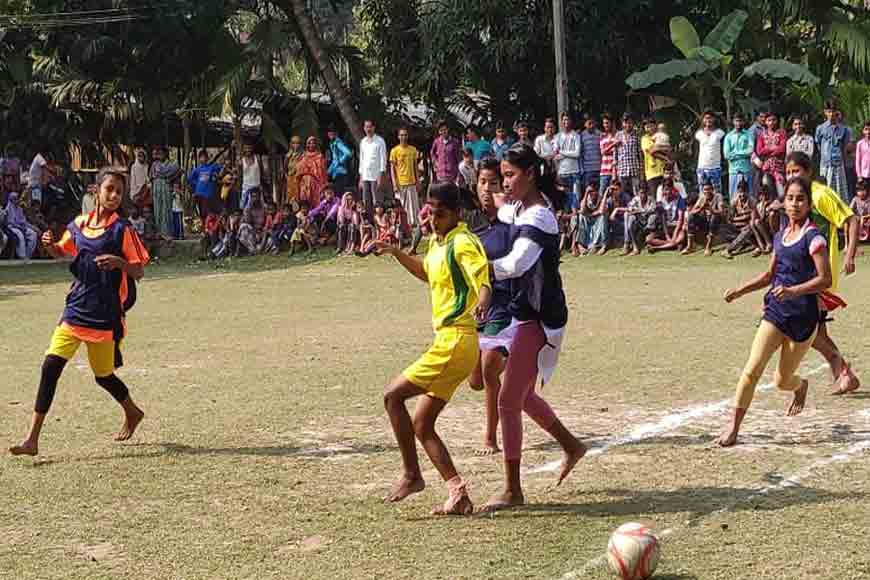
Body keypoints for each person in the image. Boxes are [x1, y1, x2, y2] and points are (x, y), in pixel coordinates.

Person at [367, 182, 491, 516]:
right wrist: (395, 252)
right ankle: (458, 492)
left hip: (456, 341)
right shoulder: (439, 242)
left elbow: (482, 277)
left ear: (456, 213)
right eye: (430, 212)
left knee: (392, 396)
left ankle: (412, 475)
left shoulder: (464, 242)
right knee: (422, 423)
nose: (433, 220)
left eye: (440, 214)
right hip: (449, 343)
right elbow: (427, 273)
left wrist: (482, 300)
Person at [9, 168, 149, 456]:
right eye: (109, 189)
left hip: (105, 314)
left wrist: (119, 263)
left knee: (103, 375)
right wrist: (49, 246)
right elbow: (63, 251)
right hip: (75, 308)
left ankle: (132, 411)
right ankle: (32, 439)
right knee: (50, 366)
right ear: (95, 191)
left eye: (119, 192)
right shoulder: (79, 224)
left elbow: (139, 271)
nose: (114, 196)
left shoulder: (122, 229)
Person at [482, 144, 585, 511]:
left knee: (508, 400)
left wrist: (476, 268)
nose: (505, 183)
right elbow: (499, 205)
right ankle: (572, 446)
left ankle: (512, 490)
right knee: (522, 397)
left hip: (541, 316)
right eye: (502, 176)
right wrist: (481, 189)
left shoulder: (539, 216)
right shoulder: (520, 206)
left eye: (510, 175)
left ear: (530, 174)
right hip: (526, 312)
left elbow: (517, 263)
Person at [716, 177, 833, 447]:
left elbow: (825, 279)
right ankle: (733, 428)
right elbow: (770, 275)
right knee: (751, 370)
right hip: (776, 313)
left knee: (782, 381)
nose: (794, 203)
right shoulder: (780, 236)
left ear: (808, 204)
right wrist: (740, 290)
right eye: (790, 198)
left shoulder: (814, 238)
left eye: (800, 199)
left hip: (803, 319)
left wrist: (794, 291)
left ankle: (800, 386)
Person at [784, 151, 860, 395]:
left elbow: (851, 219)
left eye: (796, 171)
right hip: (802, 274)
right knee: (816, 330)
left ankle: (844, 372)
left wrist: (849, 254)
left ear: (809, 172)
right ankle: (844, 375)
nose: (792, 175)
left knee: (808, 330)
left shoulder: (820, 194)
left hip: (819, 274)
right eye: (788, 172)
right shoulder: (797, 198)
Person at [467, 158, 512, 455]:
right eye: (483, 182)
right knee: (474, 382)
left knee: (488, 369)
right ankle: (509, 364)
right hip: (475, 307)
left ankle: (490, 436)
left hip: (505, 306)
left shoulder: (513, 223)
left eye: (493, 183)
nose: (487, 189)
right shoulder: (469, 224)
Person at [816, 101, 852, 202]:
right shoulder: (820, 129)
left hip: (838, 165)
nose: (831, 114)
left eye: (833, 111)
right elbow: (818, 144)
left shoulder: (844, 129)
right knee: (826, 192)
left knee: (840, 194)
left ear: (837, 112)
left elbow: (845, 147)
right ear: (825, 112)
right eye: (829, 111)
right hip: (825, 165)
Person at [722, 180, 764, 258]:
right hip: (738, 226)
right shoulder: (734, 201)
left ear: (748, 191)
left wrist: (738, 219)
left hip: (751, 228)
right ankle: (756, 247)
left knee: (748, 229)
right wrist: (742, 218)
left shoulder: (752, 201)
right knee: (724, 228)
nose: (742, 194)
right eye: (740, 192)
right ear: (737, 191)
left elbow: (753, 220)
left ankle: (728, 250)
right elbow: (729, 219)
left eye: (744, 192)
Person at [390, 127, 421, 227]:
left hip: (411, 181)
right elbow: (392, 169)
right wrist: (394, 183)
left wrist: (418, 181)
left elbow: (415, 167)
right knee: (402, 206)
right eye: (401, 135)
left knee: (413, 205)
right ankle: (403, 225)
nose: (403, 137)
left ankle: (413, 224)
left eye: (405, 135)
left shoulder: (412, 150)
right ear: (398, 137)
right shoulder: (394, 151)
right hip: (400, 183)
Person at [647, 177, 688, 253]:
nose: (667, 192)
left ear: (673, 189)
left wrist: (674, 235)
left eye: (669, 189)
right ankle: (674, 245)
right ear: (662, 190)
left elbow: (680, 219)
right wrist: (667, 236)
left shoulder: (680, 200)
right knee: (648, 239)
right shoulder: (660, 202)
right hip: (666, 228)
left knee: (681, 237)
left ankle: (657, 248)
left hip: (676, 227)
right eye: (665, 190)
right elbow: (663, 220)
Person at [684, 181, 724, 256]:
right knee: (691, 216)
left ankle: (708, 247)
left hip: (716, 221)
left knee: (715, 216)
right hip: (705, 221)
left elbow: (721, 212)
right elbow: (692, 211)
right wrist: (701, 208)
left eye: (708, 189)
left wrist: (710, 209)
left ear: (712, 190)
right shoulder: (702, 197)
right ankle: (690, 246)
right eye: (705, 189)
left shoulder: (718, 196)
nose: (707, 191)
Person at [150, 146, 181, 238]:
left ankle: (167, 233)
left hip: (167, 190)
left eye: (162, 153)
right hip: (157, 190)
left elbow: (178, 172)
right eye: (159, 153)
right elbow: (151, 177)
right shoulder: (154, 165)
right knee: (157, 210)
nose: (160, 155)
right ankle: (159, 232)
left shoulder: (172, 165)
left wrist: (169, 179)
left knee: (166, 210)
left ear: (166, 154)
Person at [724, 112, 755, 201]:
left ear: (743, 122)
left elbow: (750, 150)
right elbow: (726, 155)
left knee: (749, 195)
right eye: (736, 121)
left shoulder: (748, 134)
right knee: (733, 196)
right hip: (733, 170)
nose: (738, 123)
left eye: (740, 121)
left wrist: (735, 153)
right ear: (733, 122)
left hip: (746, 169)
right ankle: (733, 214)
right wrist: (742, 154)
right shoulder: (728, 136)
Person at [756, 113, 787, 198]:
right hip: (767, 168)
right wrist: (773, 148)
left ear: (777, 121)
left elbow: (782, 149)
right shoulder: (762, 135)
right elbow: (759, 151)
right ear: (765, 122)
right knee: (768, 193)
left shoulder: (782, 133)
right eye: (769, 120)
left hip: (779, 168)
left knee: (781, 194)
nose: (771, 122)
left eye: (774, 120)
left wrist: (768, 151)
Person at [555, 112, 582, 210]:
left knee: (576, 200)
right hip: (562, 172)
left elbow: (577, 153)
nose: (566, 122)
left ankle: (576, 222)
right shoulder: (557, 136)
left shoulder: (576, 136)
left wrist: (562, 152)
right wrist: (564, 154)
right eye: (564, 120)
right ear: (561, 121)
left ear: (571, 121)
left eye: (568, 119)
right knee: (565, 201)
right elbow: (556, 155)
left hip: (574, 171)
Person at [695, 111, 726, 197]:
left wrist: (722, 117)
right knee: (702, 193)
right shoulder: (699, 134)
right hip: (702, 168)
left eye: (710, 117)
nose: (708, 120)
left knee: (717, 193)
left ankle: (718, 210)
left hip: (715, 168)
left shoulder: (720, 133)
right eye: (706, 118)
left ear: (714, 119)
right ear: (703, 120)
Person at [187, 150, 223, 223]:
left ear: (207, 158)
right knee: (202, 213)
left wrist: (217, 176)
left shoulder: (212, 167)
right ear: (199, 158)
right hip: (199, 195)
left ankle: (209, 229)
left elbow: (222, 168)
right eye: (201, 157)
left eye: (204, 157)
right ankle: (204, 228)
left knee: (209, 213)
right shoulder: (197, 169)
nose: (203, 159)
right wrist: (195, 186)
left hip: (209, 195)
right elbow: (190, 179)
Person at [573, 184, 608, 256]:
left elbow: (601, 211)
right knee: (581, 216)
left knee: (602, 217)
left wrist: (591, 214)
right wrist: (586, 193)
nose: (592, 193)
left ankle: (598, 245)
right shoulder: (586, 198)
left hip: (597, 221)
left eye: (593, 191)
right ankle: (580, 245)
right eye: (590, 192)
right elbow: (582, 210)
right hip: (588, 221)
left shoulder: (600, 198)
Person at [615, 113, 643, 197]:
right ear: (622, 123)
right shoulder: (618, 135)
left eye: (630, 122)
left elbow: (640, 154)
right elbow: (615, 153)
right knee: (622, 194)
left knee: (636, 193)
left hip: (634, 170)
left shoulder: (636, 135)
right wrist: (615, 170)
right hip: (622, 170)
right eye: (626, 122)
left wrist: (641, 171)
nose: (628, 125)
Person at [296, 136, 328, 209]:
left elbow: (323, 172)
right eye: (309, 143)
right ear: (306, 145)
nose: (311, 145)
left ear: (316, 144)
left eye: (313, 143)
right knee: (304, 200)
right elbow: (299, 169)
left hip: (315, 182)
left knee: (315, 201)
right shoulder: (303, 156)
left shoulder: (320, 156)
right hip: (304, 182)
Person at [4, 191, 38, 259]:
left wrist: (33, 227)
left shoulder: (19, 209)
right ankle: (21, 256)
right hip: (11, 227)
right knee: (20, 234)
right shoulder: (8, 209)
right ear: (11, 200)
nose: (16, 200)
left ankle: (27, 255)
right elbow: (11, 223)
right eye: (14, 198)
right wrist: (20, 227)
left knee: (33, 234)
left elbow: (24, 222)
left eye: (17, 198)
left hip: (21, 227)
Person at [429, 120, 462, 185]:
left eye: (445, 130)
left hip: (452, 174)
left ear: (448, 129)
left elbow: (459, 158)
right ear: (439, 132)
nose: (443, 132)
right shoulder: (437, 141)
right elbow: (432, 153)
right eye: (441, 130)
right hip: (440, 174)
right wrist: (435, 163)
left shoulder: (455, 142)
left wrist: (459, 175)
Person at [239, 142, 269, 210]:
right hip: (246, 188)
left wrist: (264, 185)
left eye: (249, 148)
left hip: (257, 187)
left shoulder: (257, 159)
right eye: (246, 148)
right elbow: (240, 176)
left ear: (252, 148)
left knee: (259, 207)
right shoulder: (241, 161)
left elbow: (262, 173)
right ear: (243, 149)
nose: (248, 150)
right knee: (244, 207)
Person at [641, 118, 666, 196]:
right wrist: (666, 158)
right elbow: (652, 152)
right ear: (644, 129)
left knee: (665, 195)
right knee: (656, 197)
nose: (650, 128)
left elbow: (667, 148)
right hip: (652, 173)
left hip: (664, 171)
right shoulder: (644, 139)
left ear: (655, 126)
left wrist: (658, 148)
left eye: (651, 126)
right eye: (647, 127)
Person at [326, 128, 353, 194]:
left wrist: (340, 161)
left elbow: (348, 153)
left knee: (340, 192)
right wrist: (328, 171)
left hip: (341, 172)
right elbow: (334, 160)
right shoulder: (332, 143)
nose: (330, 134)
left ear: (336, 133)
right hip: (336, 173)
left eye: (332, 132)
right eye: (329, 133)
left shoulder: (338, 143)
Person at [580, 115, 602, 189]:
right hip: (587, 170)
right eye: (589, 123)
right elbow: (580, 154)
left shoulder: (600, 134)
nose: (591, 125)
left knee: (599, 193)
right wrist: (582, 170)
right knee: (589, 193)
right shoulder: (581, 136)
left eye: (593, 123)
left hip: (599, 169)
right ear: (585, 124)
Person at [599, 114, 618, 195]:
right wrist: (613, 145)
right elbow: (603, 152)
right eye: (604, 123)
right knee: (602, 194)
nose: (605, 125)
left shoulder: (618, 135)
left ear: (612, 123)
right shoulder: (602, 136)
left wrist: (609, 148)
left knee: (614, 195)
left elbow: (617, 152)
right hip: (604, 171)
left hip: (616, 171)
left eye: (607, 123)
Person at [285, 136, 303, 203]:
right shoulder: (288, 156)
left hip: (299, 179)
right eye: (294, 143)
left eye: (297, 143)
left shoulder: (302, 155)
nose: (296, 145)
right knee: (290, 196)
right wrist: (287, 177)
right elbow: (285, 169)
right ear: (291, 144)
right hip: (290, 179)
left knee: (298, 196)